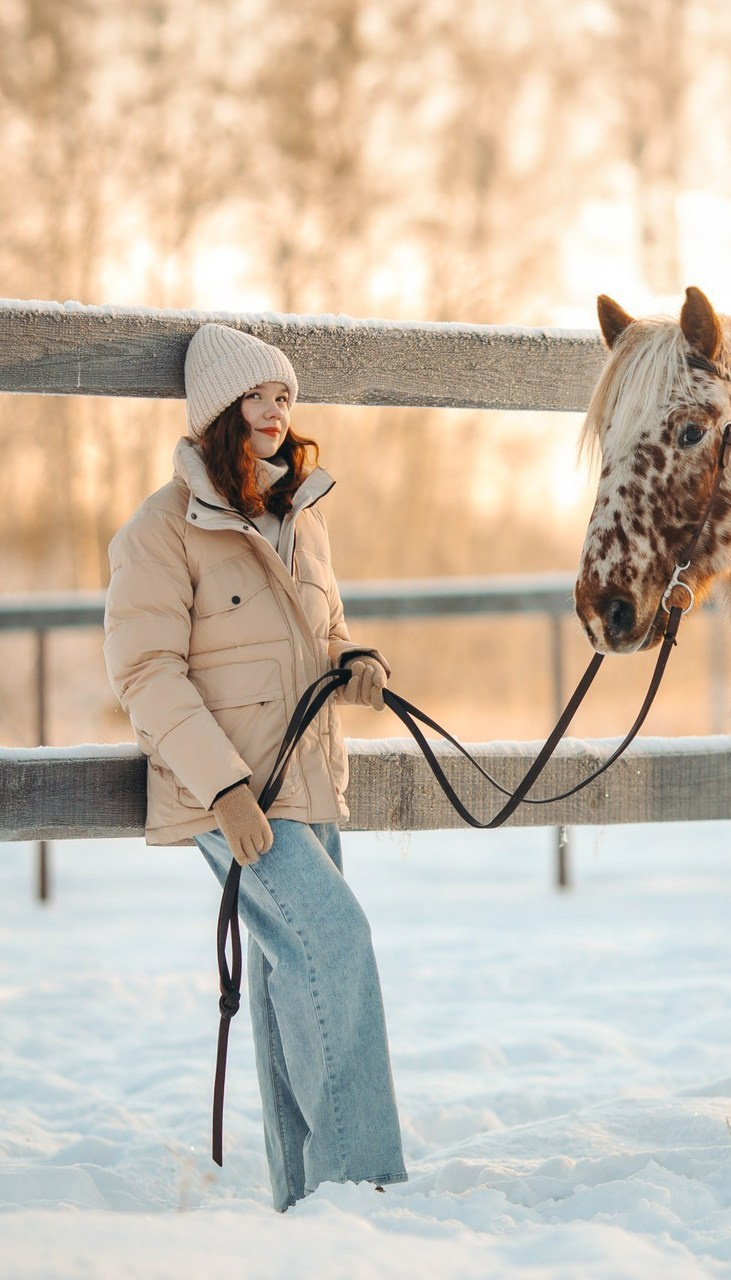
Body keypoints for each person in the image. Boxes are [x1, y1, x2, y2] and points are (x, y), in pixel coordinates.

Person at [103, 323, 407, 1211]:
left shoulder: (302, 519)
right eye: (260, 396)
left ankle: (307, 1202)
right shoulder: (157, 533)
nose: (277, 412)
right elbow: (147, 674)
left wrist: (352, 661)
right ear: (217, 410)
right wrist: (226, 789)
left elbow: (322, 632)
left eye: (286, 397)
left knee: (290, 978)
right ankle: (366, 1192)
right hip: (228, 797)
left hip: (309, 784)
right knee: (336, 942)